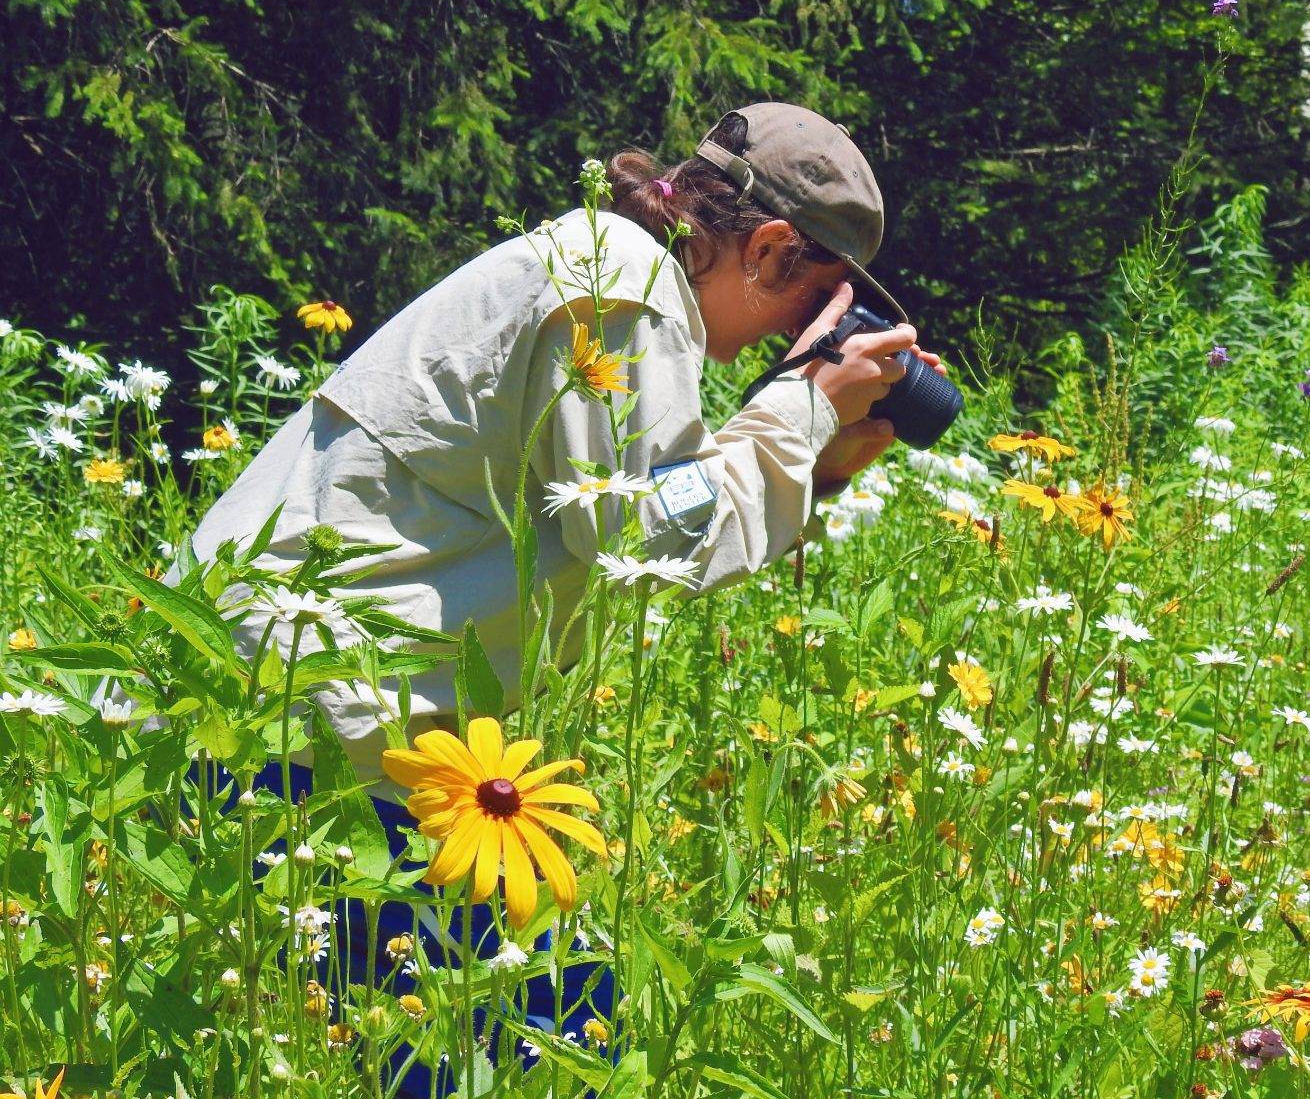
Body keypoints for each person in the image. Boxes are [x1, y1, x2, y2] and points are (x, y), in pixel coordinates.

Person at [166, 102, 945, 1091]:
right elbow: (636, 537)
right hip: (293, 727)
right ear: (768, 248)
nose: (794, 340)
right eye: (815, 306)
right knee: (540, 1035)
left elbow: (644, 512)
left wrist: (821, 459)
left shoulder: (604, 267)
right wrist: (799, 403)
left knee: (523, 1026)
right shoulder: (621, 281)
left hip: (296, 717)